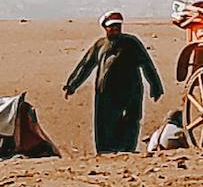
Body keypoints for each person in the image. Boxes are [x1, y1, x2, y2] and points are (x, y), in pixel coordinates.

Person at [63, 11, 168, 155]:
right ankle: (105, 152)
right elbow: (85, 65)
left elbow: (147, 64)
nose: (115, 29)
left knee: (131, 121)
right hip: (106, 93)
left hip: (131, 90)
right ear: (105, 28)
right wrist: (72, 85)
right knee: (105, 123)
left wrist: (155, 86)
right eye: (111, 26)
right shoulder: (100, 45)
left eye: (117, 25)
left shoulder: (132, 43)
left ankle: (128, 150)